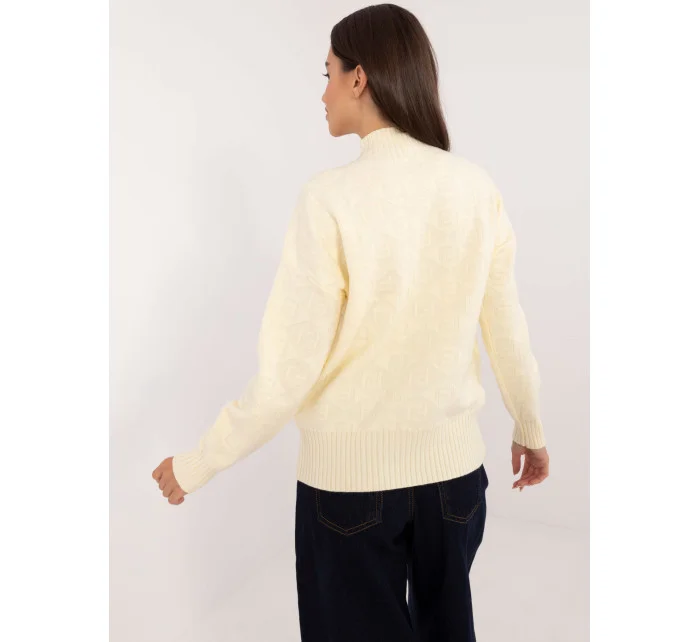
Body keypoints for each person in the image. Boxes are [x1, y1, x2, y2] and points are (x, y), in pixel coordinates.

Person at [152, 3, 549, 640]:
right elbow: (507, 325)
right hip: (455, 484)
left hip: (350, 491)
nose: (323, 92)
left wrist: (198, 463)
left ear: (359, 78)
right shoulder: (475, 188)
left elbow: (287, 372)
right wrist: (529, 425)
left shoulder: (329, 198)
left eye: (328, 73)